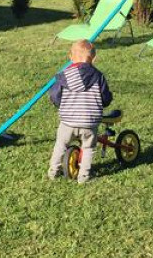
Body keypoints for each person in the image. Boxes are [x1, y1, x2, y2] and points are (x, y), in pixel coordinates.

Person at [47, 40, 113, 183]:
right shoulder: (98, 76)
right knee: (88, 148)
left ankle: (53, 172)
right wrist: (106, 101)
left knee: (60, 145)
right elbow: (105, 97)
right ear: (93, 58)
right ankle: (83, 177)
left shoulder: (63, 76)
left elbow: (54, 96)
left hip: (68, 122)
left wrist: (60, 104)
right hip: (89, 123)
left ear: (70, 56)